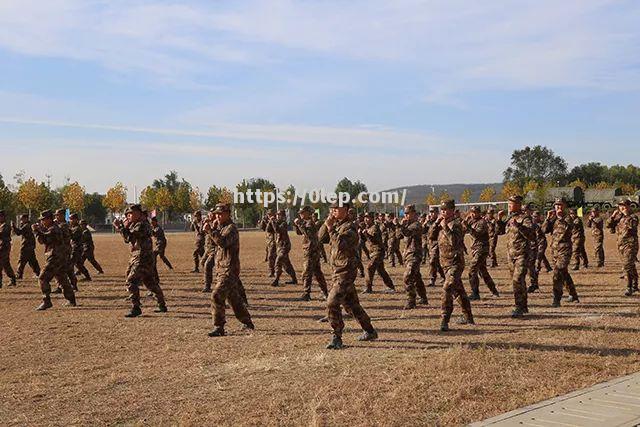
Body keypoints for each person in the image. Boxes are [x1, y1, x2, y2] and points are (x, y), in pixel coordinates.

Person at [319, 201, 378, 350]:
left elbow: (340, 244)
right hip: (336, 271)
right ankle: (369, 330)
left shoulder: (350, 227)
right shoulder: (336, 225)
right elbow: (320, 238)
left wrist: (331, 228)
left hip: (346, 272)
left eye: (336, 209)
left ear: (345, 210)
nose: (333, 211)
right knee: (352, 305)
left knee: (332, 302)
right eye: (331, 208)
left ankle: (336, 337)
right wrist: (327, 225)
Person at [205, 203, 254, 337]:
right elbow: (214, 246)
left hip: (229, 270)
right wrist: (213, 228)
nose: (218, 216)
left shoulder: (231, 229)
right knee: (233, 299)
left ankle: (219, 327)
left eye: (221, 214)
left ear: (228, 214)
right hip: (222, 269)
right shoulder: (221, 227)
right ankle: (247, 322)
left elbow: (222, 242)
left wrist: (210, 231)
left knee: (216, 295)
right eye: (216, 214)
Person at [114, 204, 167, 317]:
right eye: (127, 214)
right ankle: (162, 305)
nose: (128, 216)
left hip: (142, 257)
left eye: (130, 214)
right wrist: (124, 228)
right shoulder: (135, 224)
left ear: (138, 213)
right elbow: (127, 239)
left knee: (131, 281)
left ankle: (136, 307)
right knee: (149, 282)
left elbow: (131, 237)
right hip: (138, 256)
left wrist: (121, 228)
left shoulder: (142, 225)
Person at [429, 199, 473, 331]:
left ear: (452, 210)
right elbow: (431, 237)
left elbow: (454, 241)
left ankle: (444, 319)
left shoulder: (457, 224)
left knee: (447, 288)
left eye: (446, 209)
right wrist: (436, 224)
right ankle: (468, 316)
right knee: (458, 291)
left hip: (455, 263)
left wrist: (445, 227)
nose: (443, 212)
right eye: (442, 210)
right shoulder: (440, 223)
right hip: (444, 263)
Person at [497, 195, 535, 318]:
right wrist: (499, 219)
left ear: (518, 204)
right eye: (508, 204)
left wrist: (519, 226)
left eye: (511, 204)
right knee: (518, 282)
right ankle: (523, 306)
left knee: (517, 280)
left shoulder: (525, 219)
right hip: (511, 255)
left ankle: (519, 307)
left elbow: (532, 235)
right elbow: (500, 232)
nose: (509, 206)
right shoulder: (510, 218)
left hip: (522, 254)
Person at [31, 210, 76, 310]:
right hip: (59, 257)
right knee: (61, 278)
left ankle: (46, 301)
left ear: (49, 219)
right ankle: (71, 299)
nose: (42, 222)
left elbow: (44, 240)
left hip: (55, 257)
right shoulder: (54, 227)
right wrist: (40, 229)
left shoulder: (54, 229)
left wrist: (36, 231)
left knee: (42, 278)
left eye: (43, 220)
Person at [542, 198, 580, 306]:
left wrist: (560, 217)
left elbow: (569, 227)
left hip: (565, 250)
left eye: (560, 205)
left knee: (557, 273)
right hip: (555, 251)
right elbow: (544, 230)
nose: (558, 207)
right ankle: (573, 294)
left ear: (565, 206)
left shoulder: (568, 218)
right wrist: (548, 219)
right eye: (556, 205)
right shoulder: (553, 219)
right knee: (564, 273)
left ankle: (556, 299)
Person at [293, 205, 328, 301]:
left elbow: (308, 235)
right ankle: (325, 292)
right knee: (317, 273)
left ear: (308, 213)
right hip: (311, 251)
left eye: (302, 213)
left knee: (307, 273)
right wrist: (298, 225)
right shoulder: (306, 222)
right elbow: (300, 233)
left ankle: (306, 293)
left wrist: (299, 224)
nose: (300, 214)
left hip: (311, 251)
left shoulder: (309, 223)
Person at [463, 206, 499, 300]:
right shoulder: (471, 221)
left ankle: (475, 293)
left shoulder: (482, 222)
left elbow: (477, 234)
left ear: (479, 213)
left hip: (481, 249)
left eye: (475, 212)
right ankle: (494, 290)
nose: (473, 214)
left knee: (472, 270)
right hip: (475, 249)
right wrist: (465, 223)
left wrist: (467, 226)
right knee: (483, 272)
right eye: (472, 212)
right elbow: (463, 230)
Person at [607, 199, 639, 296]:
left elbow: (632, 226)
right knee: (630, 265)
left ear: (629, 206)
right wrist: (613, 216)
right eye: (620, 206)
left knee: (627, 265)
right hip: (621, 245)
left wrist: (626, 215)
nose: (622, 207)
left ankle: (628, 287)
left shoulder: (633, 217)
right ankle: (635, 285)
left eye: (624, 205)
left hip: (631, 244)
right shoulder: (618, 217)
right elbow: (609, 225)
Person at [399, 205, 428, 309]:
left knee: (408, 277)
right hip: (408, 255)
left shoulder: (416, 225)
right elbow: (399, 236)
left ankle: (411, 301)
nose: (406, 215)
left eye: (408, 213)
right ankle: (423, 298)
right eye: (405, 213)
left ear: (413, 213)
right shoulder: (408, 224)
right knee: (416, 277)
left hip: (415, 254)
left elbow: (407, 233)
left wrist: (401, 226)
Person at [360, 212, 395, 294]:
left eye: (368, 218)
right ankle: (391, 287)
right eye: (365, 217)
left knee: (369, 267)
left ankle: (368, 288)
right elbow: (364, 240)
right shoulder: (368, 227)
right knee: (381, 271)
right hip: (373, 252)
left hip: (378, 251)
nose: (366, 219)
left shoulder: (374, 228)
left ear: (372, 219)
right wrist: (361, 234)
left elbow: (374, 239)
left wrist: (366, 234)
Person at [268, 209, 297, 286]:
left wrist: (273, 222)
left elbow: (278, 230)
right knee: (286, 264)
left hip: (285, 246)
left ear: (283, 216)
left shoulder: (284, 224)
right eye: (277, 215)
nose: (277, 216)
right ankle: (294, 279)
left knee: (278, 261)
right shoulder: (276, 222)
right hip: (279, 246)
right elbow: (268, 230)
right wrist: (270, 221)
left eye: (279, 215)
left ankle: (276, 280)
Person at [54, 209, 78, 292]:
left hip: (63, 250)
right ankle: (72, 285)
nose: (56, 217)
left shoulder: (63, 225)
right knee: (67, 269)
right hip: (64, 249)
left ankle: (62, 286)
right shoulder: (64, 225)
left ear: (63, 215)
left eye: (58, 215)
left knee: (60, 269)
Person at [11, 213, 40, 280]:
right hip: (30, 246)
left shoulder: (26, 226)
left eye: (22, 219)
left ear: (26, 219)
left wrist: (13, 227)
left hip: (26, 246)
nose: (21, 220)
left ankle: (19, 274)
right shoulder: (28, 225)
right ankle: (38, 273)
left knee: (22, 260)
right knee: (32, 261)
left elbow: (18, 232)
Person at [425, 207, 445, 287]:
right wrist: (425, 223)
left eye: (433, 212)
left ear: (437, 213)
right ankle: (444, 276)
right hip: (430, 245)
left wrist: (436, 222)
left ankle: (432, 280)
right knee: (438, 263)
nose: (432, 214)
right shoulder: (429, 221)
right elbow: (424, 232)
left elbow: (433, 233)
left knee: (433, 261)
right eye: (430, 212)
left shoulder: (441, 221)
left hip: (438, 244)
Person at [69, 213, 92, 281]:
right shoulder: (73, 227)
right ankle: (88, 277)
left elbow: (72, 236)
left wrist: (67, 230)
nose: (70, 221)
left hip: (77, 248)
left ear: (76, 220)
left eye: (71, 219)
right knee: (79, 264)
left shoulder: (77, 228)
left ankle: (71, 279)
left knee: (70, 264)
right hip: (75, 247)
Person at [0, 210, 17, 288]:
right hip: (3, 246)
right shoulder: (2, 225)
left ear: (3, 217)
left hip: (4, 247)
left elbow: (1, 234)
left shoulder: (5, 226)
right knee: (6, 264)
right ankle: (13, 279)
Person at [258, 209, 277, 276]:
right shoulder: (267, 221)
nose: (270, 216)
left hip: (276, 241)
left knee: (272, 257)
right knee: (271, 256)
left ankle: (273, 271)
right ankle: (272, 271)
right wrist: (263, 221)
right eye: (268, 214)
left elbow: (272, 229)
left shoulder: (275, 221)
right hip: (269, 241)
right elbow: (262, 228)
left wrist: (271, 222)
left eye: (271, 214)